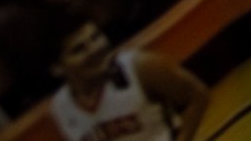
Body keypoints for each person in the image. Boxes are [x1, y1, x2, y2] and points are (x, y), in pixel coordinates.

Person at [47, 18, 208, 141]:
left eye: (96, 37)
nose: (95, 49)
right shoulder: (61, 107)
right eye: (79, 49)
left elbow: (197, 95)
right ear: (57, 68)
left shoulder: (140, 66)